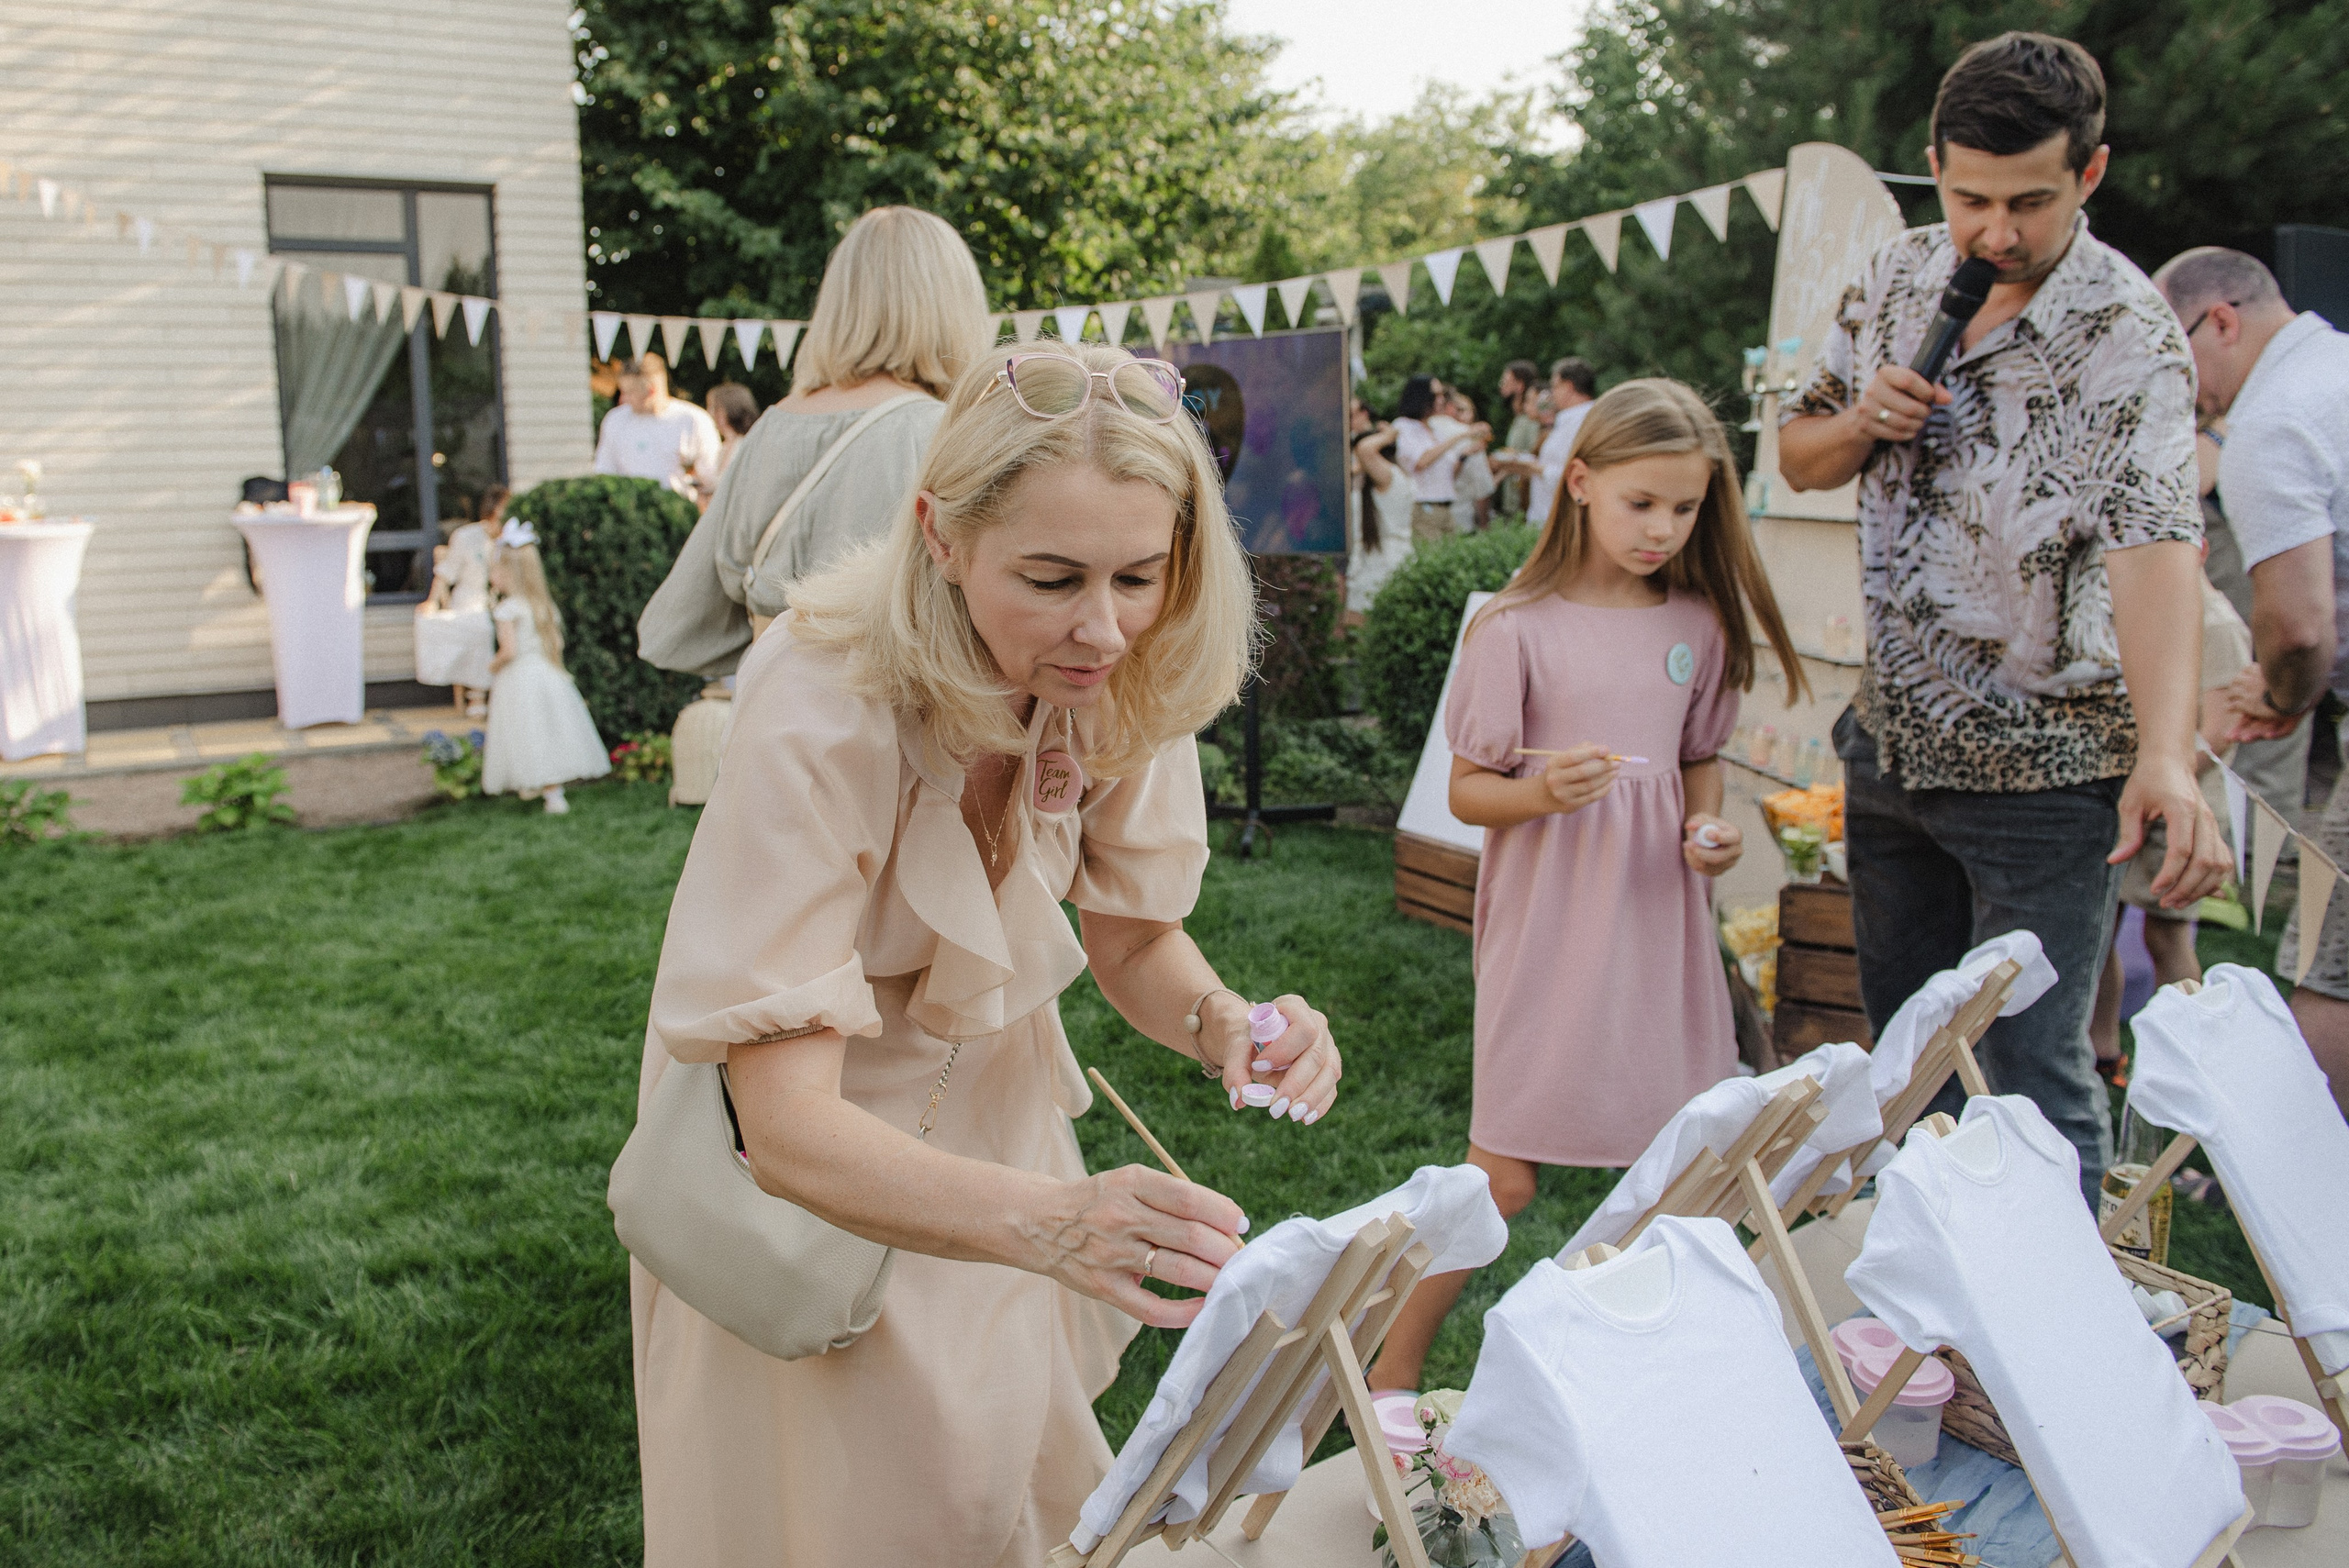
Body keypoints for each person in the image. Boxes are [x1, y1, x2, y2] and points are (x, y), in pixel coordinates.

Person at [627, 341, 1346, 1565]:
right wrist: (1053, 1224)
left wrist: (1218, 1016)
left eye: (1140, 575)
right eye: (1052, 577)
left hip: (999, 1127)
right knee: (847, 1511)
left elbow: (1135, 938)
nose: (1102, 626)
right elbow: (785, 1122)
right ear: (941, 536)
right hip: (816, 1178)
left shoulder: (1122, 670)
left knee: (1002, 1484)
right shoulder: (822, 694)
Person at [1776, 31, 2230, 1196]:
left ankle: (2061, 1301)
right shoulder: (1894, 276)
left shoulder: (2130, 334)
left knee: (2032, 1075)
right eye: (1970, 198)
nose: (1994, 232)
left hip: (2046, 774)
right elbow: (1798, 452)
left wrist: (2166, 757)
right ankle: (1927, 1291)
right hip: (1892, 746)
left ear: (2090, 172)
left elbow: (2155, 553)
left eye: (2028, 201)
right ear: (1934, 166)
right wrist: (1861, 419)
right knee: (1905, 1066)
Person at [1365, 378, 1805, 1400]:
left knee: (1682, 1168)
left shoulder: (1699, 624)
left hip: (1660, 923)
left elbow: (1697, 757)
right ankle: (1392, 1367)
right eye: (1640, 502)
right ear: (1579, 483)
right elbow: (1468, 791)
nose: (1662, 528)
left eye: (1684, 507)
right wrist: (1541, 790)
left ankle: (1648, 1378)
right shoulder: (1513, 628)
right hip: (1549, 927)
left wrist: (1706, 829)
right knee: (1504, 1174)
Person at [2157, 246, 2349, 1115]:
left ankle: (2302, 1174)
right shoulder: (2335, 369)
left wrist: (2277, 694)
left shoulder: (2271, 424)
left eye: (2178, 358)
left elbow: (2299, 626)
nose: (2182, 392)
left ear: (2223, 322)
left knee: (2330, 969)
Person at [638, 206, 988, 676]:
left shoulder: (770, 428)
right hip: (896, 710)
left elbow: (675, 633)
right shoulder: (943, 433)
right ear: (956, 306)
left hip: (773, 710)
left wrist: (779, 633)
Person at [2088, 547, 2253, 1072]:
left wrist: (2159, 780)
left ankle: (2190, 1060)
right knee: (2098, 932)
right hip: (2123, 796)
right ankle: (2102, 1050)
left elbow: (2218, 732)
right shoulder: (2138, 606)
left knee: (2167, 933)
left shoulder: (2216, 621)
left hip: (2182, 805)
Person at [480, 520, 611, 814]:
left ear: (509, 572)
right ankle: (552, 792)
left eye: (495, 570)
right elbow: (556, 643)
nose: (492, 576)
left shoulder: (507, 609)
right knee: (549, 731)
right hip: (545, 673)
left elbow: (509, 651)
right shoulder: (543, 606)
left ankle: (540, 785)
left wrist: (492, 666)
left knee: (526, 732)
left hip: (519, 678)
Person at [414, 484, 506, 718]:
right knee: (480, 627)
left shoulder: (510, 539)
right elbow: (446, 573)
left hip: (500, 600)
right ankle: (477, 694)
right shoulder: (466, 537)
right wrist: (432, 601)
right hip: (470, 598)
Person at [593, 352, 722, 500]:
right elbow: (605, 472)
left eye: (629, 392)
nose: (623, 398)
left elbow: (712, 478)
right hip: (630, 508)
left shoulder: (692, 420)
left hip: (680, 507)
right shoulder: (615, 420)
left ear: (651, 390)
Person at [1497, 356, 1597, 526]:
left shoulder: (1582, 421)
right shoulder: (1571, 418)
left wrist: (1535, 468)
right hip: (1547, 516)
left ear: (1568, 387)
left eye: (1555, 386)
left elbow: (1578, 474)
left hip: (1561, 520)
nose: (1552, 393)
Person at [1347, 398, 1417, 617]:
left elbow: (1364, 449)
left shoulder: (1389, 477)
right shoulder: (1375, 481)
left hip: (1386, 563)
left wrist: (1390, 434)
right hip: (1373, 560)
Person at [1391, 374, 1475, 545]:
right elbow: (1421, 462)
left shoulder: (1434, 428)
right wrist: (1459, 437)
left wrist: (1465, 455)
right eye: (1436, 395)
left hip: (1445, 508)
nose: (1442, 400)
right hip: (1423, 508)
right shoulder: (1403, 426)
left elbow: (1448, 474)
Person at [1439, 387, 1497, 531]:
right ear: (1450, 407)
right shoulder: (1470, 439)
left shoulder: (1420, 431)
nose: (1460, 415)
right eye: (1458, 409)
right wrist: (1484, 526)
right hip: (1461, 519)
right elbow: (1483, 487)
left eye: (1464, 410)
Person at [701, 381, 760, 491]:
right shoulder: (724, 446)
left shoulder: (747, 445)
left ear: (730, 409)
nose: (710, 413)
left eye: (715, 408)